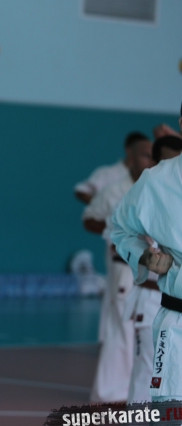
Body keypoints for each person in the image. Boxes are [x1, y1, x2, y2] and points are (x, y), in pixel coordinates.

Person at [110, 103, 182, 402]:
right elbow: (120, 229)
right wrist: (144, 255)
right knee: (170, 415)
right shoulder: (157, 182)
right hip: (178, 325)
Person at [83, 133, 154, 403]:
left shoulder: (155, 188)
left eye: (153, 156)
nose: (150, 160)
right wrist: (115, 231)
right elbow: (89, 219)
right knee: (121, 328)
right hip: (123, 269)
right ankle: (110, 394)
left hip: (152, 273)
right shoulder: (114, 190)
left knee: (146, 333)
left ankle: (137, 391)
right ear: (130, 159)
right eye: (145, 155)